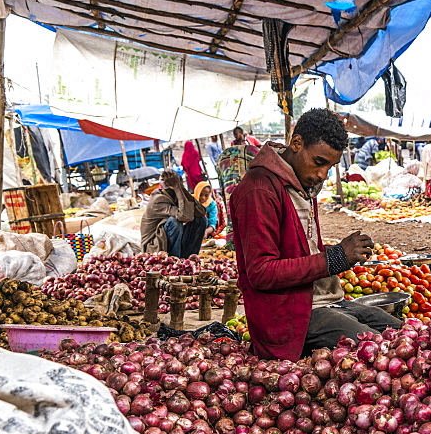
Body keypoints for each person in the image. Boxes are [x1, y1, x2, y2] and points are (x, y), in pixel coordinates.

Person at [230, 109, 401, 360]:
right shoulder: (259, 190)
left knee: (405, 334)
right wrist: (334, 259)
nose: (322, 175)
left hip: (324, 302)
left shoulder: (301, 183)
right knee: (380, 351)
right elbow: (261, 272)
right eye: (319, 162)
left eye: (330, 167)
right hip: (289, 315)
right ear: (296, 143)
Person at [140, 170, 207, 258]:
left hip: (167, 241)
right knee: (175, 221)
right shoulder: (158, 200)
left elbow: (201, 212)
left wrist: (181, 189)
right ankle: (174, 261)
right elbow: (184, 216)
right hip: (155, 246)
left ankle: (189, 258)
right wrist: (178, 188)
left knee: (200, 220)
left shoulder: (177, 195)